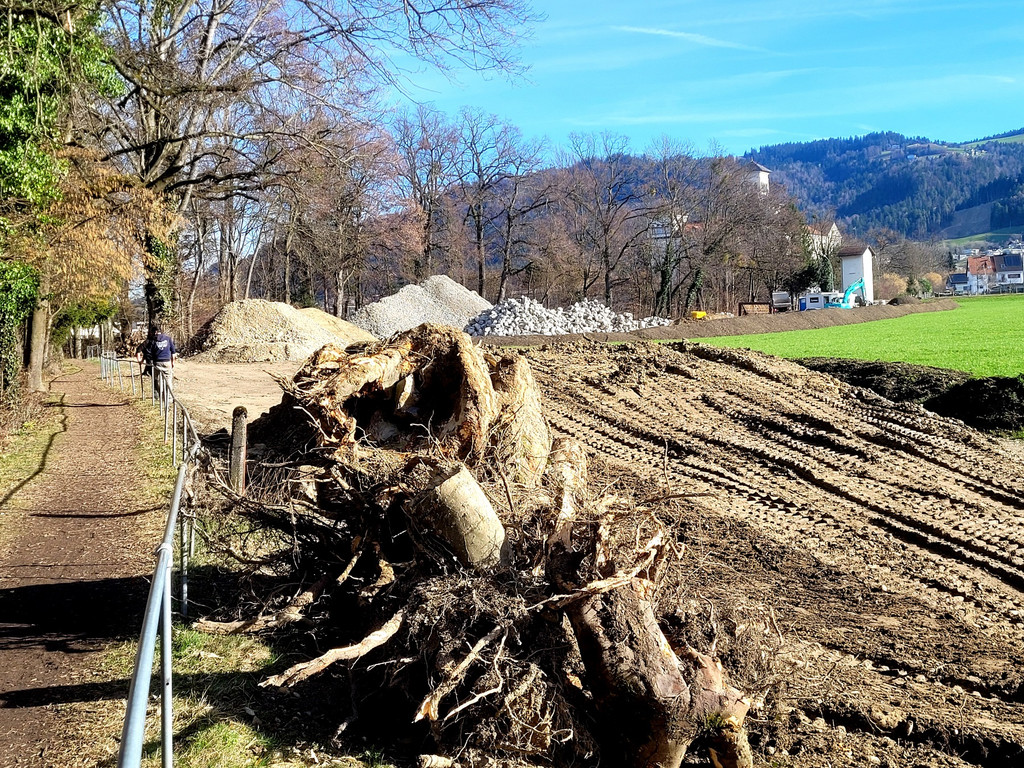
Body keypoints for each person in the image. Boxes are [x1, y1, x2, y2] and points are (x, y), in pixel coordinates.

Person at [136, 322, 177, 399]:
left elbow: (147, 352)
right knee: (168, 380)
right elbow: (173, 353)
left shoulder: (152, 340)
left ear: (153, 332)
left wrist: (141, 360)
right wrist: (172, 363)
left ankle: (159, 396)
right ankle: (168, 397)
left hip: (156, 362)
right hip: (167, 361)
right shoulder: (168, 339)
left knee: (157, 380)